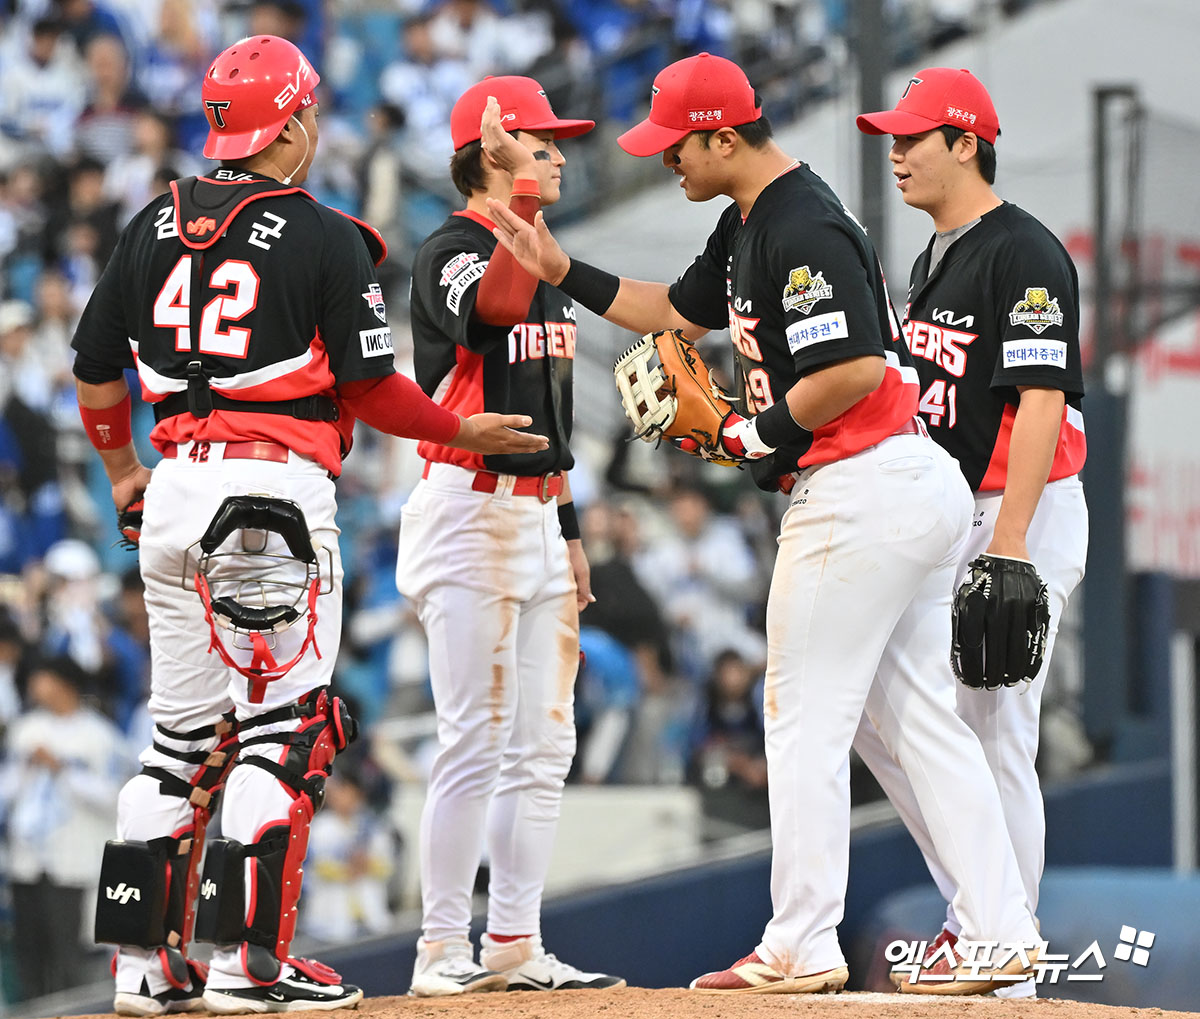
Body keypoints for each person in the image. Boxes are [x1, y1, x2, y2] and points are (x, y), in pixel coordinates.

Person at [489, 51, 1041, 994]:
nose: (666, 159)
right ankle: (1000, 927)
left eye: (675, 145)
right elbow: (669, 310)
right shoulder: (750, 219)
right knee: (907, 717)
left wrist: (758, 432)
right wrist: (561, 267)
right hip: (893, 484)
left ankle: (802, 938)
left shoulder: (800, 221)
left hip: (862, 484)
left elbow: (856, 368)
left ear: (720, 134)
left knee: (798, 716)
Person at [71, 35, 546, 1017]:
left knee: (174, 747)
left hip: (172, 492)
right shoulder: (324, 234)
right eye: (310, 111)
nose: (316, 125)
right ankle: (248, 964)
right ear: (288, 124)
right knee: (283, 731)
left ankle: (139, 967)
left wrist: (123, 468)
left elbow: (92, 368)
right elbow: (372, 388)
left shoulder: (149, 224)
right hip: (270, 497)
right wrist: (459, 424)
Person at [852, 67, 1088, 997]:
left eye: (915, 136)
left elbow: (1040, 400)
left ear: (967, 143)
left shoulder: (1023, 249)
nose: (897, 151)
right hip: (956, 512)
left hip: (1016, 513)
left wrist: (1012, 541)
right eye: (894, 136)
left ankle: (1005, 954)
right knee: (888, 712)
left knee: (994, 731)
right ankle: (979, 915)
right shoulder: (937, 254)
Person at [397, 75, 624, 997]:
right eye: (539, 141)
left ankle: (514, 941)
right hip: (467, 510)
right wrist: (517, 202)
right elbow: (488, 312)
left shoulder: (546, 266)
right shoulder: (453, 247)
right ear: (492, 152)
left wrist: (567, 528)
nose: (559, 154)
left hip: (533, 511)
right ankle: (439, 945)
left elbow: (548, 415)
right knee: (475, 738)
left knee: (545, 744)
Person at [1, 655, 131, 1001]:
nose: (35, 687)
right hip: (28, 860)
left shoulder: (99, 734)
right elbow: (7, 791)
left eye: (42, 679)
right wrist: (27, 767)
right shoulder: (26, 729)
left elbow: (114, 795)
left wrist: (61, 768)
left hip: (72, 861)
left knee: (68, 951)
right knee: (28, 949)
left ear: (64, 684)